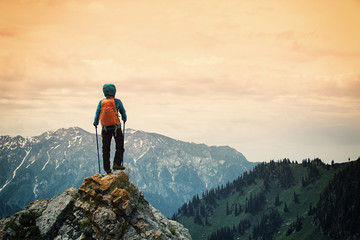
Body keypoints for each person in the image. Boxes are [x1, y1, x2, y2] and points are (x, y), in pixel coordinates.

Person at [93, 84, 127, 174]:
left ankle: (107, 168)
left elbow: (97, 113)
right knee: (119, 146)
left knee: (106, 149)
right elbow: (123, 111)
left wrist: (95, 123)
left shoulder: (101, 102)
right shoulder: (117, 101)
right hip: (117, 128)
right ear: (114, 92)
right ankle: (116, 163)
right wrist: (124, 118)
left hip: (105, 129)